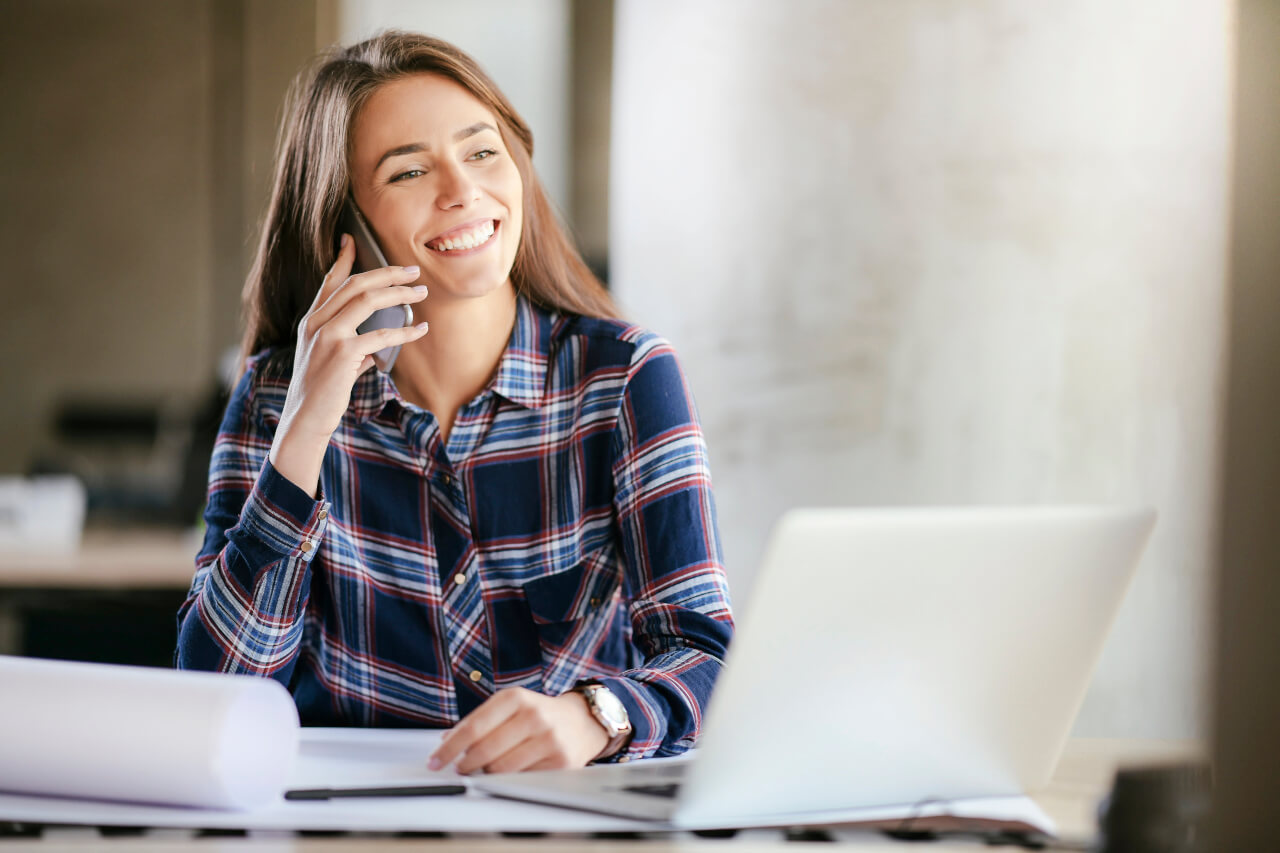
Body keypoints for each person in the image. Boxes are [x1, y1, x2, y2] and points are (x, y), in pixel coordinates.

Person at [176, 30, 734, 774]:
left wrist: (595, 716)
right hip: (343, 823)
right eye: (409, 171)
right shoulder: (278, 397)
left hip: (563, 820)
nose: (462, 190)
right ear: (349, 227)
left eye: (481, 152)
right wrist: (305, 429)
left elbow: (705, 656)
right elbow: (214, 697)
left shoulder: (625, 380)